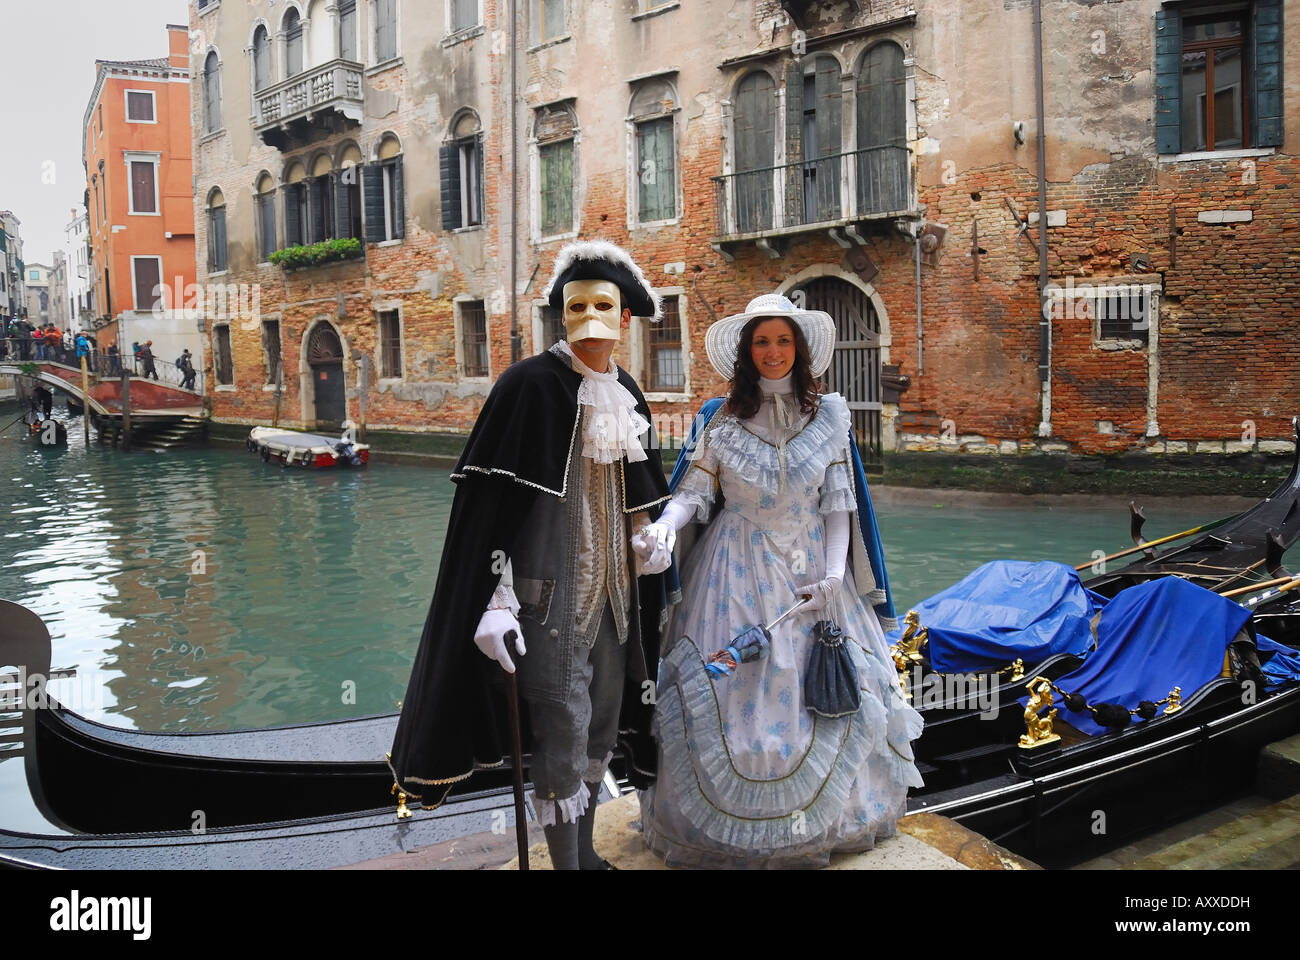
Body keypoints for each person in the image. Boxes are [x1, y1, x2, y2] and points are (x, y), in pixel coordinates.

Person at [387, 241, 671, 870]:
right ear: (561, 314)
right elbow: (490, 513)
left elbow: (636, 489)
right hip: (544, 604)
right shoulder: (528, 385)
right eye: (578, 306)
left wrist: (648, 535)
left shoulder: (625, 391)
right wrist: (493, 600)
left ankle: (587, 852)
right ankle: (565, 867)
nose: (591, 317)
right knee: (562, 736)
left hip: (617, 603)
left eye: (605, 305)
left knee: (601, 727)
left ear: (625, 318)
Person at [633, 293, 925, 869]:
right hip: (733, 571)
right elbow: (694, 494)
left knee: (830, 696)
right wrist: (665, 526)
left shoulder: (830, 417)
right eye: (762, 342)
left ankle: (826, 826)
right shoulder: (720, 419)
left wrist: (835, 577)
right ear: (748, 351)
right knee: (728, 694)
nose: (773, 352)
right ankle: (735, 834)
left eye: (782, 340)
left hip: (813, 573)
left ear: (799, 348)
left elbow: (840, 507)